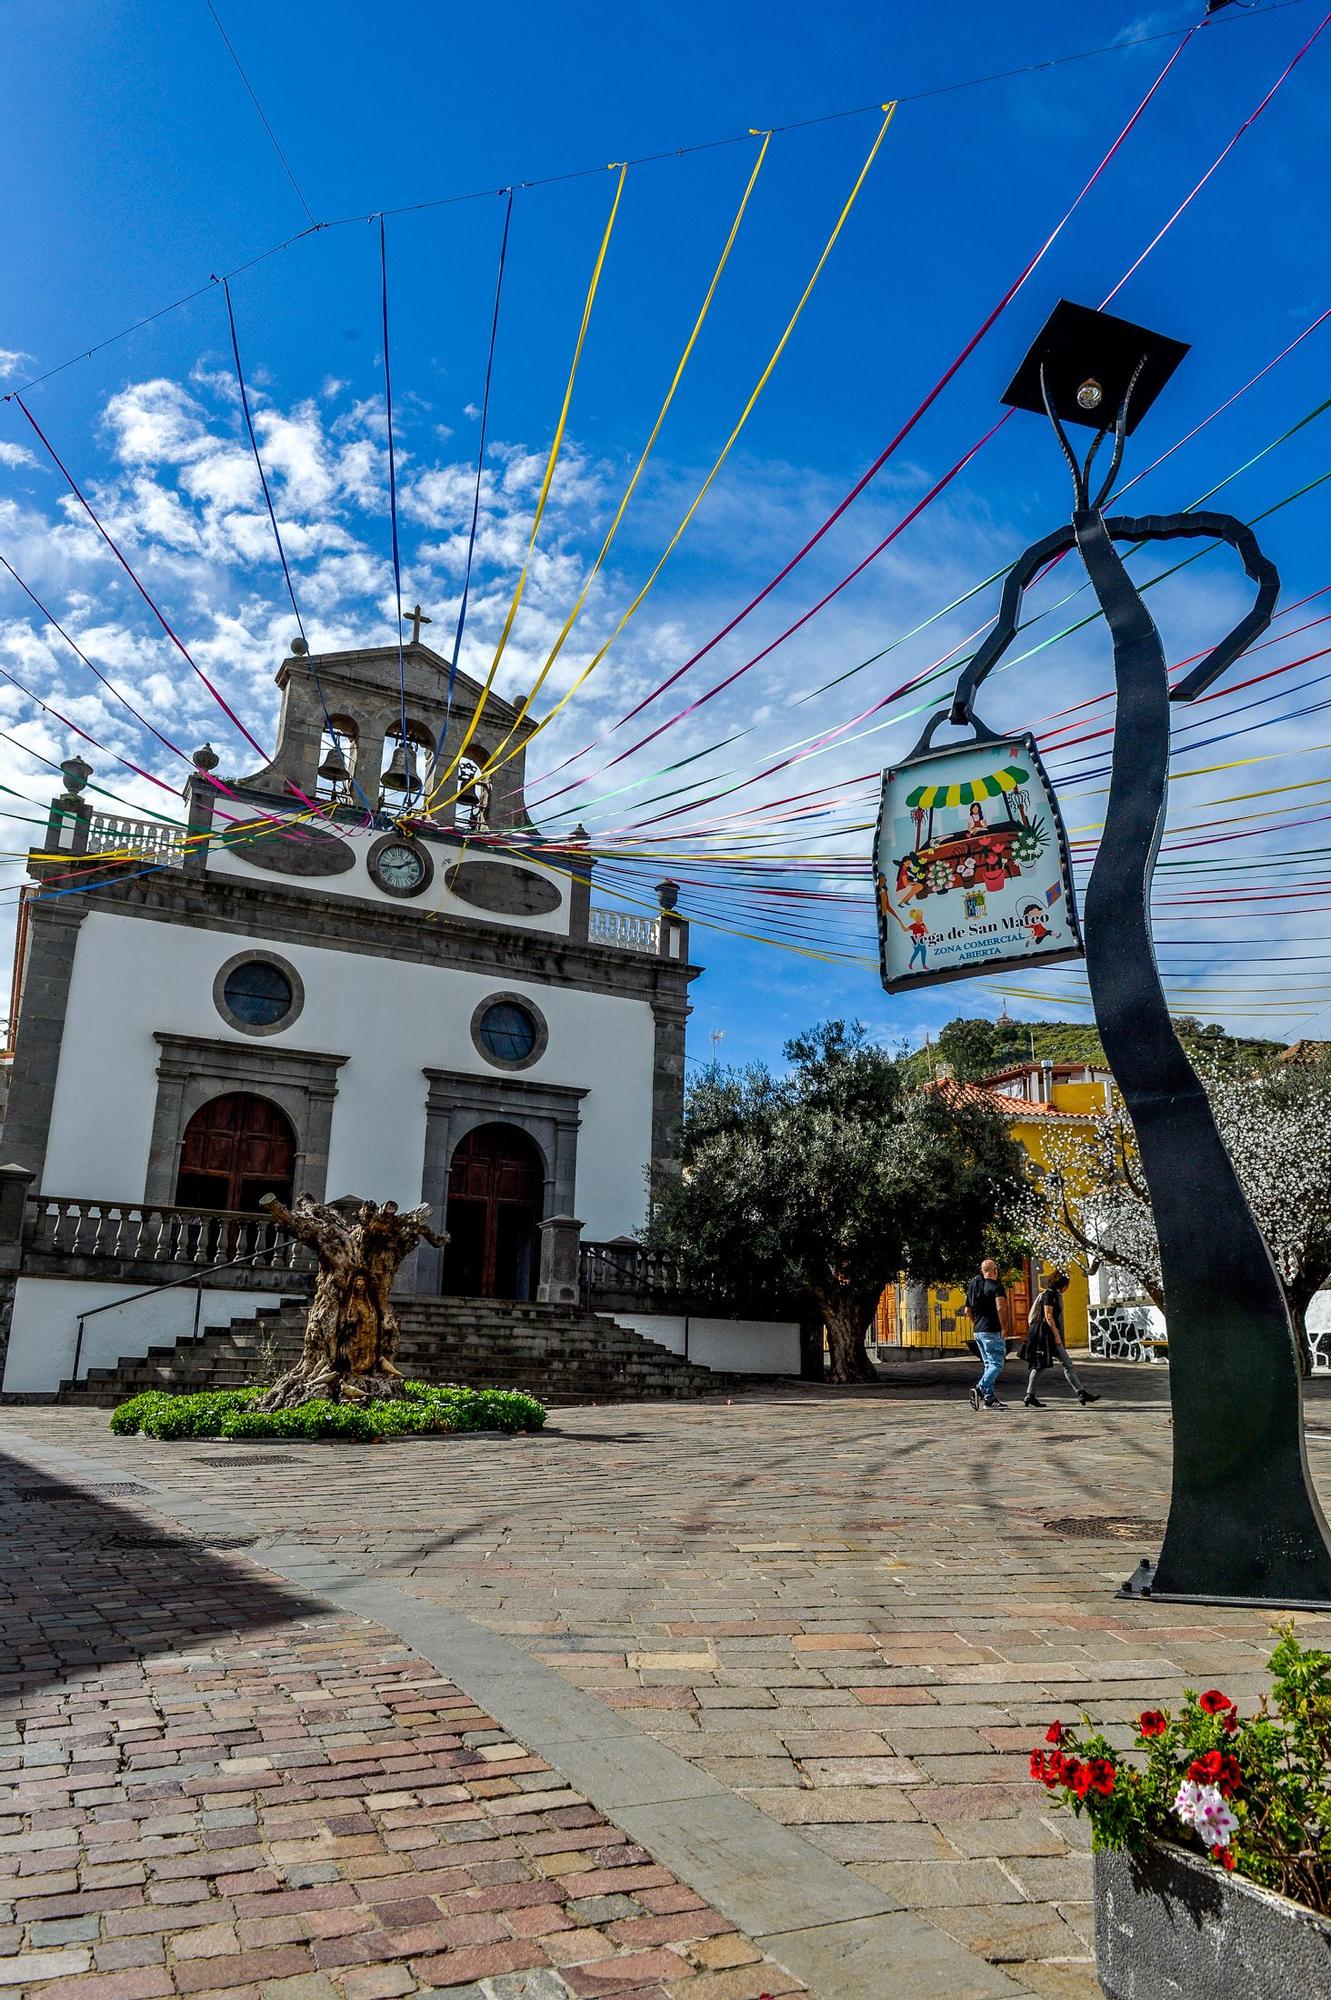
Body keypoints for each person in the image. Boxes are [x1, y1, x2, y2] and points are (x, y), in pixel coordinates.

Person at [1023, 1272, 1100, 1408]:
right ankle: (1081, 1392)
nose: (1068, 1287)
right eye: (1067, 1284)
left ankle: (1030, 1396)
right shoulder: (1050, 1295)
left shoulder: (1054, 1295)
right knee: (1066, 1365)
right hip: (1046, 1336)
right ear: (1062, 1285)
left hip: (1046, 1335)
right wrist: (1056, 1335)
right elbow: (1048, 1316)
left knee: (1040, 1366)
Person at [964, 1257, 1010, 1411]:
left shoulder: (974, 1284)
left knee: (988, 1364)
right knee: (996, 1364)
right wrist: (1004, 1327)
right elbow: (1000, 1307)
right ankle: (979, 1389)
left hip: (979, 1331)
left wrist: (976, 1323)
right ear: (995, 1271)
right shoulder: (997, 1286)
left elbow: (967, 1310)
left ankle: (989, 1399)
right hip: (992, 1330)